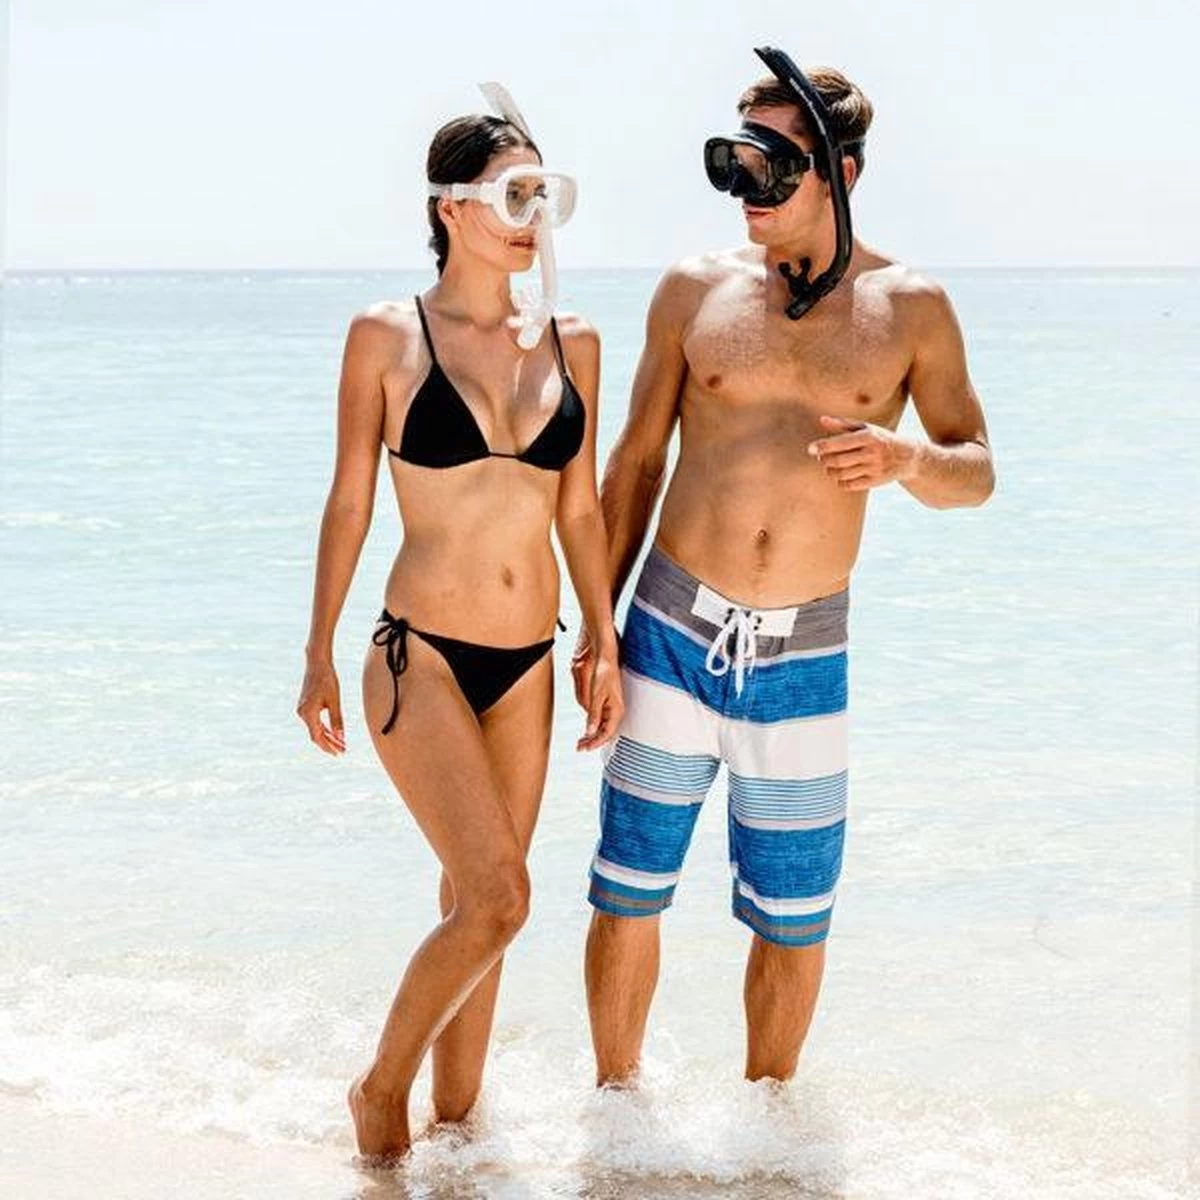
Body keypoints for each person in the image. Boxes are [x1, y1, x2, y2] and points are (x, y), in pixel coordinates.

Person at [572, 46, 995, 1088]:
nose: (747, 188)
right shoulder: (695, 290)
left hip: (805, 652)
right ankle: (614, 1118)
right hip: (668, 630)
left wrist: (906, 460)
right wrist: (597, 627)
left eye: (773, 165)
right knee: (627, 891)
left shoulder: (912, 306)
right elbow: (635, 461)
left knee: (795, 917)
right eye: (737, 161)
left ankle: (769, 1138)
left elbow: (977, 471)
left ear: (840, 173)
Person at [296, 85, 622, 1160]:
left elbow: (579, 507)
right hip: (419, 656)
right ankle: (379, 1092)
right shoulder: (387, 336)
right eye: (513, 196)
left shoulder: (572, 341)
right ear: (452, 207)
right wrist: (317, 653)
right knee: (499, 897)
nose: (534, 217)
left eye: (544, 196)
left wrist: (602, 637)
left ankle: (459, 1138)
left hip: (528, 661)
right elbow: (350, 501)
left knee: (481, 907)